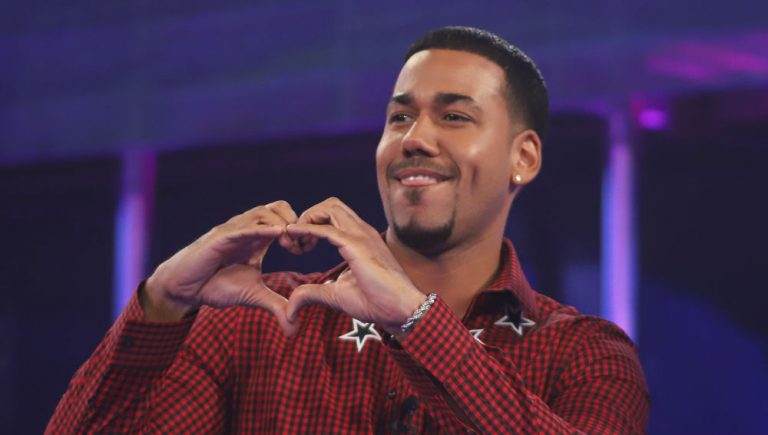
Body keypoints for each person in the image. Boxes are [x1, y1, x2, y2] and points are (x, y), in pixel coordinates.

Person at [46, 26, 649, 434]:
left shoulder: (586, 355)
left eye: (454, 116)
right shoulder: (259, 319)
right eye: (400, 116)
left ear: (524, 157)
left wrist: (415, 320)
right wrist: (161, 302)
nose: (415, 138)